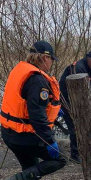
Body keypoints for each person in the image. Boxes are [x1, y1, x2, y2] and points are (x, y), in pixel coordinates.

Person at [0, 41, 66, 180]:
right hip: (22, 136)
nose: (52, 63)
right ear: (45, 58)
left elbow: (25, 103)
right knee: (60, 159)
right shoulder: (37, 80)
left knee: (31, 170)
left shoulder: (20, 70)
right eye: (51, 59)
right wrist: (50, 142)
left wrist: (52, 110)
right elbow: (37, 117)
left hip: (8, 132)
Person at [59, 50, 91, 163]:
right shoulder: (77, 69)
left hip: (80, 104)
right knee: (75, 128)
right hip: (68, 103)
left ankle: (85, 150)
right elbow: (75, 92)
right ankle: (75, 156)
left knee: (84, 126)